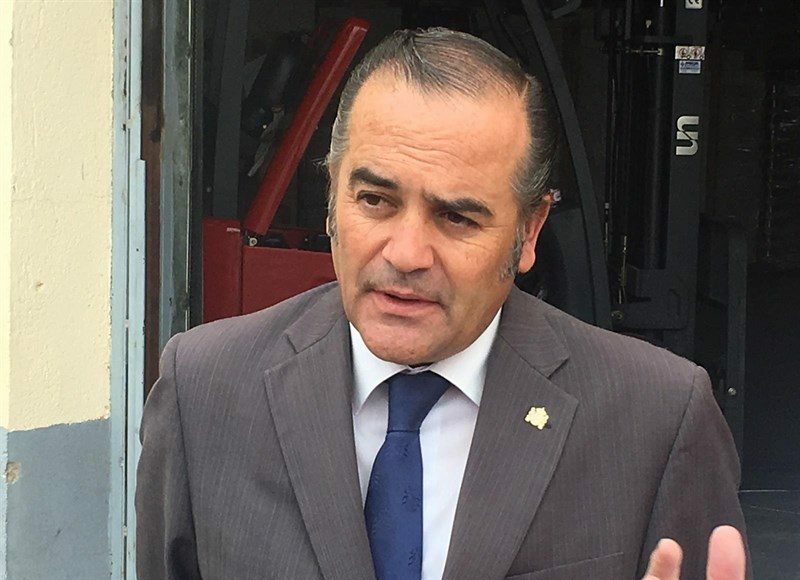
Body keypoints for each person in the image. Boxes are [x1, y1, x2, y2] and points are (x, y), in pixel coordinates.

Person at [136, 28, 749, 579]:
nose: (406, 254)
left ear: (529, 232)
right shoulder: (204, 391)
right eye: (375, 200)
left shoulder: (657, 419)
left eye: (457, 217)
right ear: (331, 199)